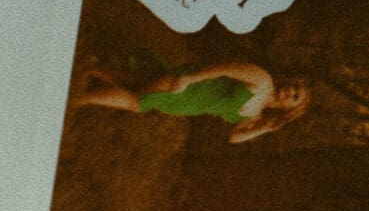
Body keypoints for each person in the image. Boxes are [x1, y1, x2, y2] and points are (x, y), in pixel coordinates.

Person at [72, 59, 310, 144]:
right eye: (294, 88)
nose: (291, 92)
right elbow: (224, 68)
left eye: (295, 97)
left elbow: (234, 137)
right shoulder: (263, 79)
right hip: (188, 87)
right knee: (137, 102)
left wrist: (262, 130)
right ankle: (80, 99)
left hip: (188, 105)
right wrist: (189, 79)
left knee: (139, 84)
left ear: (289, 110)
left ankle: (90, 70)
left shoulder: (257, 117)